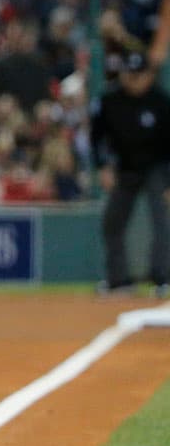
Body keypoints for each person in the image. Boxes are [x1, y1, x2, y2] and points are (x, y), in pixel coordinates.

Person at [90, 52, 170, 297]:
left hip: (157, 167)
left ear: (149, 75)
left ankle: (163, 279)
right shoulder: (110, 100)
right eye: (129, 74)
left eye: (139, 75)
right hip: (125, 168)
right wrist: (103, 166)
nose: (134, 80)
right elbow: (96, 137)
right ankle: (118, 281)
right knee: (112, 221)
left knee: (162, 221)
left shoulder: (160, 101)